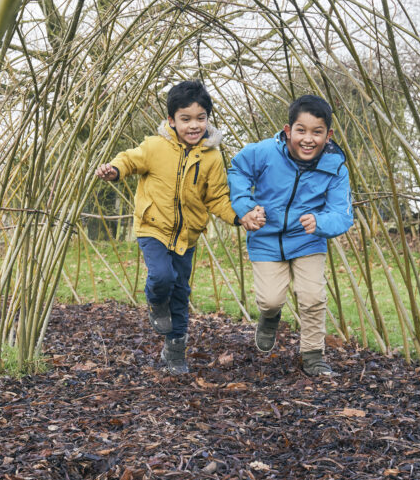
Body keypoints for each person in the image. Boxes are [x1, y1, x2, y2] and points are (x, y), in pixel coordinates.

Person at [95, 80, 264, 374]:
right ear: (171, 120)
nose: (193, 125)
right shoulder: (155, 146)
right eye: (185, 119)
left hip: (187, 236)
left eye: (200, 118)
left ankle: (174, 351)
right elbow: (129, 160)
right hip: (152, 227)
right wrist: (115, 170)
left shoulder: (211, 157)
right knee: (162, 277)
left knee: (181, 291)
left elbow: (218, 198)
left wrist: (240, 217)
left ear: (208, 119)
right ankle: (155, 301)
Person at [228, 94, 353, 376]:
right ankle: (270, 316)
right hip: (265, 237)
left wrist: (320, 221)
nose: (308, 139)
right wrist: (246, 208)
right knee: (270, 299)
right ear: (288, 131)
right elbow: (237, 169)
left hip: (307, 239)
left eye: (317, 132)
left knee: (312, 297)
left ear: (328, 135)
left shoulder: (335, 168)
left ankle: (312, 355)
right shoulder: (264, 153)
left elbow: (343, 213)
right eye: (301, 130)